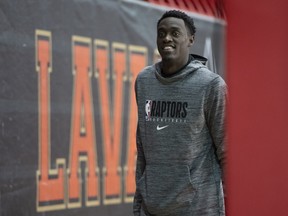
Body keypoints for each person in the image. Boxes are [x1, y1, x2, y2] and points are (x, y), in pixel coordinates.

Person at [133, 10, 227, 216]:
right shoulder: (144, 81)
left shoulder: (210, 85)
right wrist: (138, 204)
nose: (167, 38)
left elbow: (227, 151)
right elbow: (143, 148)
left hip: (198, 208)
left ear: (191, 39)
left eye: (175, 33)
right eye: (162, 33)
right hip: (152, 209)